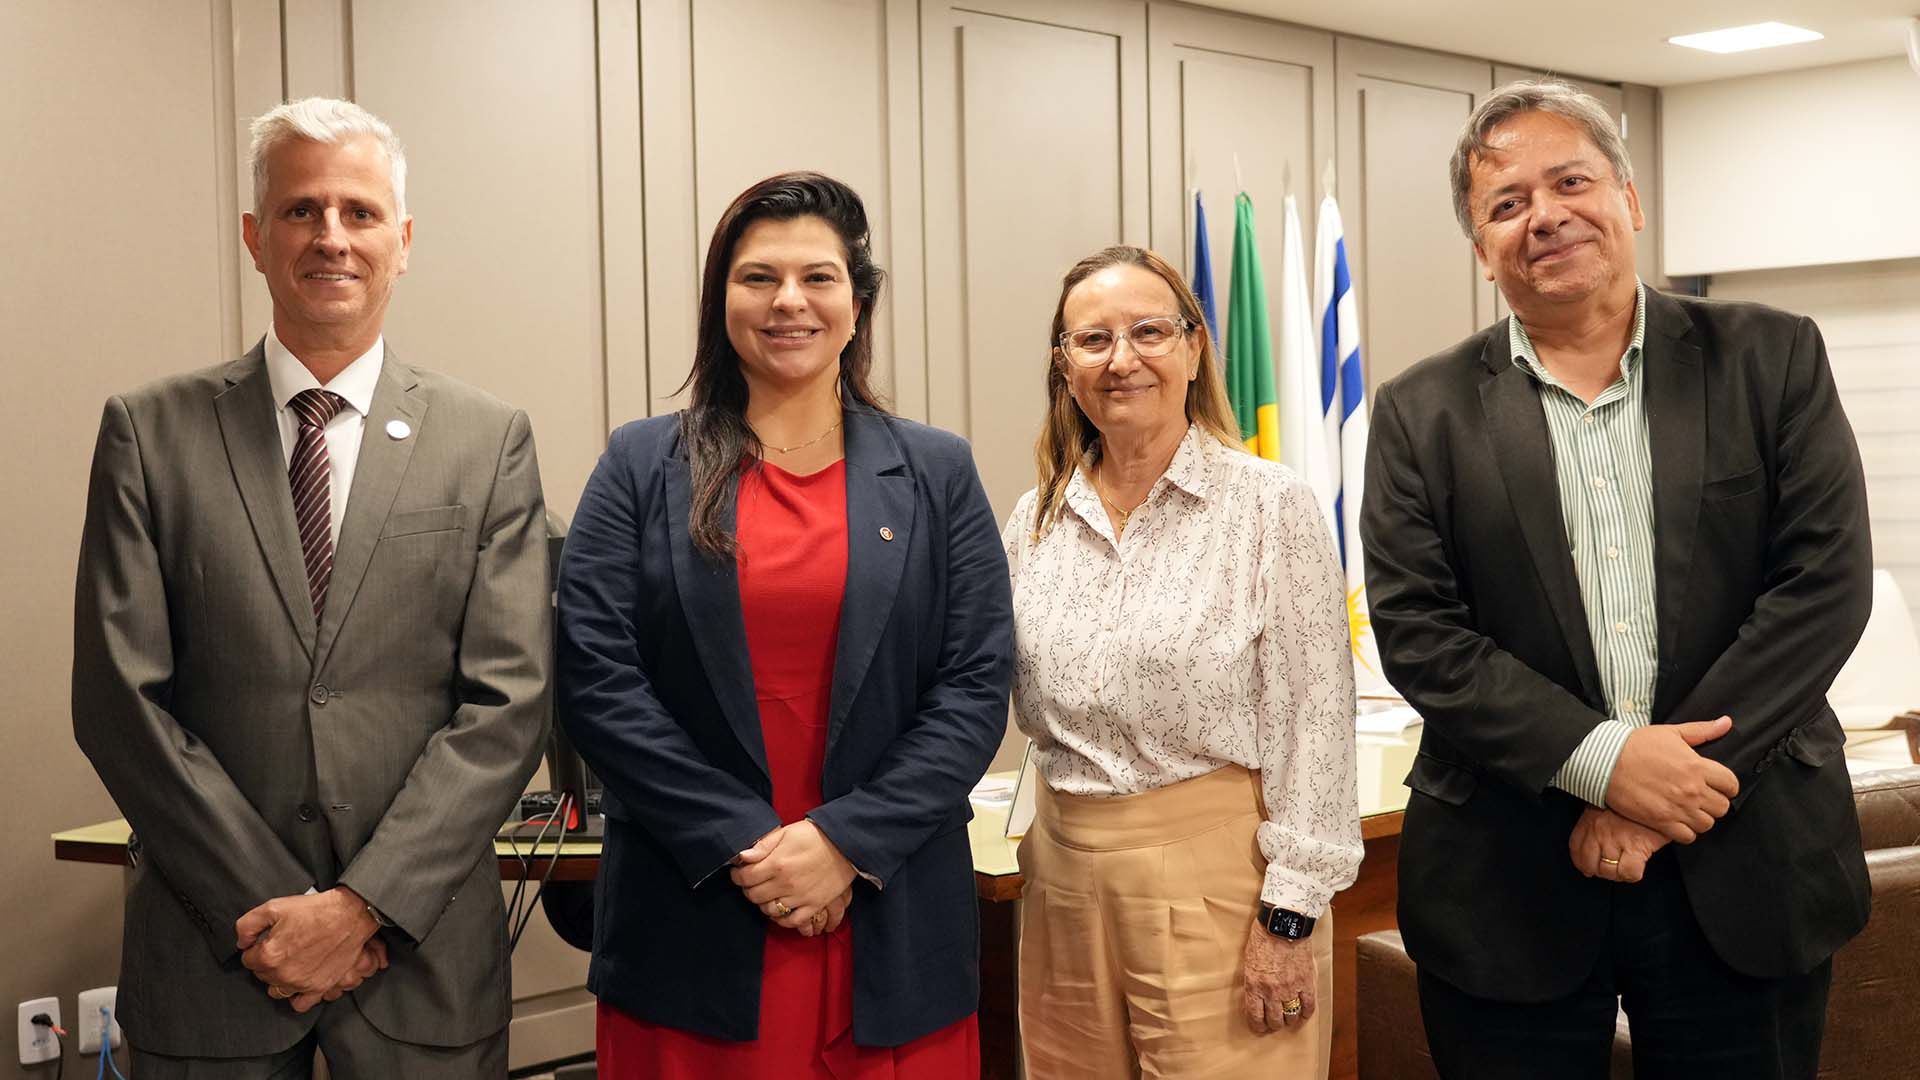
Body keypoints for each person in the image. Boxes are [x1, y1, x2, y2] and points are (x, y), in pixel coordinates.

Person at [1361, 80, 1873, 1079]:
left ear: (1628, 199)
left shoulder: (1771, 357)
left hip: (1746, 865)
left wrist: (1647, 794)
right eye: (1507, 204)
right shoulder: (1420, 412)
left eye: (1570, 182)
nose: (1543, 216)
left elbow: (1822, 587)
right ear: (1482, 249)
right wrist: (1603, 760)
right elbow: (1422, 635)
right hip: (1506, 886)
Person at [70, 97, 551, 1077]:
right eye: (302, 211)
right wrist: (272, 917)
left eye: (360, 213)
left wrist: (360, 908)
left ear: (403, 241)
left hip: (421, 963)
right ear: (255, 237)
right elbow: (120, 701)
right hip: (215, 962)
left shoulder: (487, 439)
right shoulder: (149, 433)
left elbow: (509, 699)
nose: (332, 236)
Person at [555, 171, 1012, 1078]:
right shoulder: (641, 464)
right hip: (697, 921)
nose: (789, 302)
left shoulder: (937, 472)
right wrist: (747, 846)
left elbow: (974, 683)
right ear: (721, 299)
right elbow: (596, 680)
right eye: (758, 277)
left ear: (858, 304)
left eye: (819, 277)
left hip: (890, 915)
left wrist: (845, 842)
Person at [1003, 245, 1361, 1079]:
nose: (1122, 360)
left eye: (1150, 332)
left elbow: (1315, 722)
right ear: (1064, 367)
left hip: (1222, 887)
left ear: (1195, 348)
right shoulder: (1037, 519)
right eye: (1092, 340)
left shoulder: (1271, 508)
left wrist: (1289, 919)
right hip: (1061, 879)